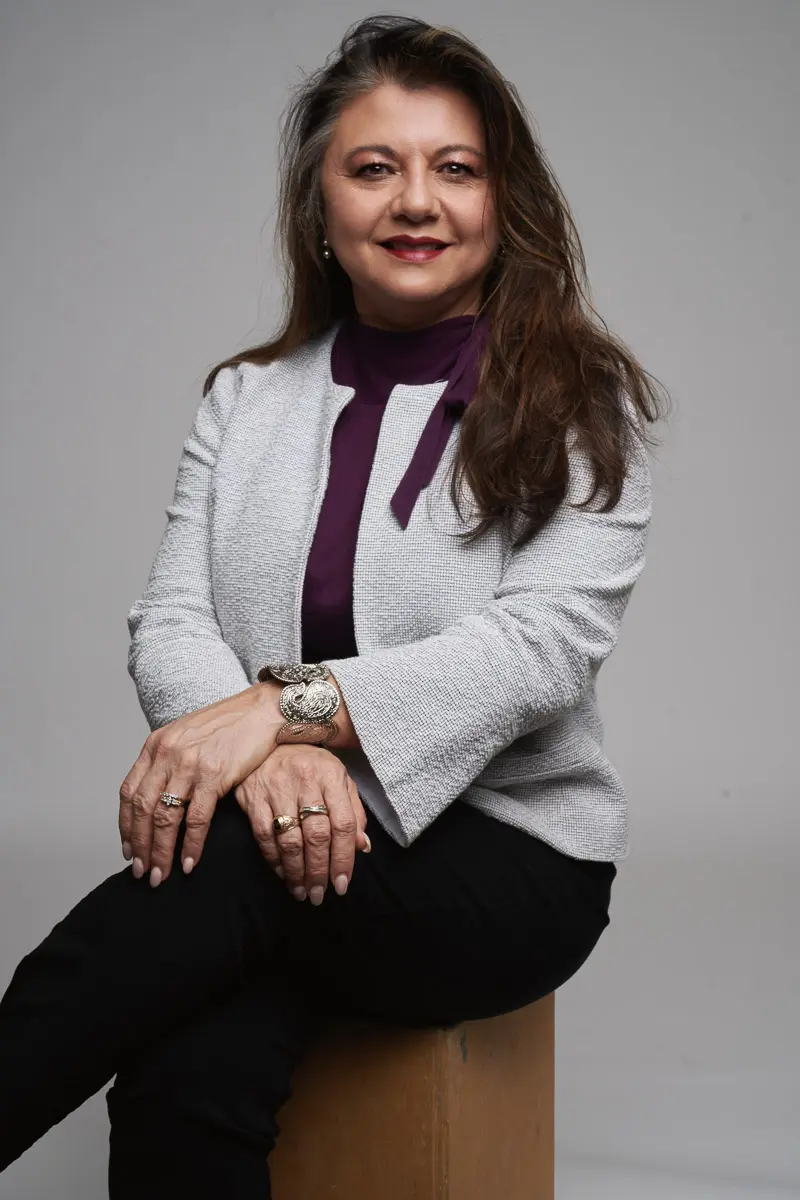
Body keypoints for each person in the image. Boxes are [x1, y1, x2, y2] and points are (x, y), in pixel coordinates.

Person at [0, 14, 667, 1198]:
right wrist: (265, 758)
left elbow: (535, 652)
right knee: (187, 1061)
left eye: (453, 169)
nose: (416, 200)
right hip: (283, 836)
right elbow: (170, 620)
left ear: (500, 201)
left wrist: (281, 713)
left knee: (188, 898)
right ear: (319, 208)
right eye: (373, 168)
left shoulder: (577, 400)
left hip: (505, 861)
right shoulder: (244, 399)